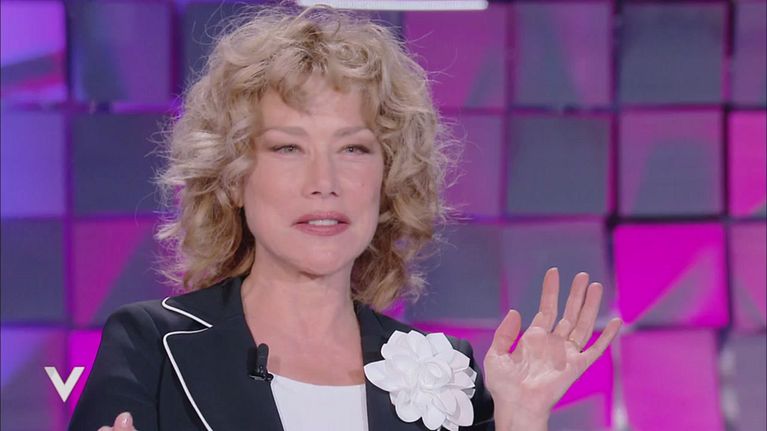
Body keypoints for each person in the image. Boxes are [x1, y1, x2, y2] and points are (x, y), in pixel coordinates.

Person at [69, 5, 622, 431]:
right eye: (288, 148)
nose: (324, 181)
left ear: (388, 180)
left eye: (354, 149)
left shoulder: (445, 371)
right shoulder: (152, 344)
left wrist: (520, 418)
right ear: (234, 177)